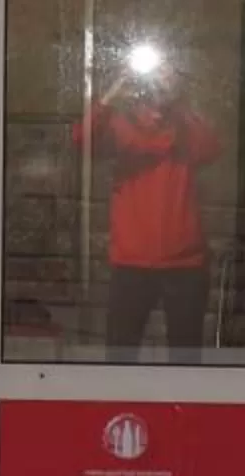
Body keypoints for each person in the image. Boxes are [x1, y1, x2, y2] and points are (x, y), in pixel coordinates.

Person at [75, 52, 222, 360]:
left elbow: (209, 147)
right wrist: (114, 93)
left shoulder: (183, 124)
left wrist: (178, 100)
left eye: (166, 74)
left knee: (185, 359)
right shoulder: (123, 122)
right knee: (120, 355)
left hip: (184, 262)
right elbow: (82, 140)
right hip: (132, 260)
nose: (157, 84)